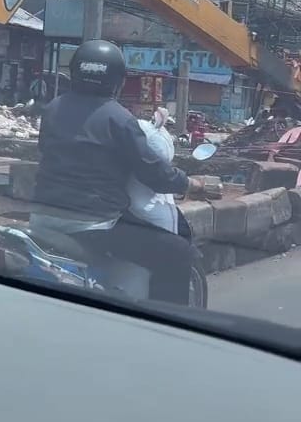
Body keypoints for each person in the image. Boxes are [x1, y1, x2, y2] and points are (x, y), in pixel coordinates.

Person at [32, 39, 205, 306]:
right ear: (117, 80)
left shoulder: (54, 107)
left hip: (42, 217)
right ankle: (169, 323)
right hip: (94, 225)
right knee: (179, 253)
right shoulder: (119, 118)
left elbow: (45, 149)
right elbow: (154, 174)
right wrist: (191, 184)